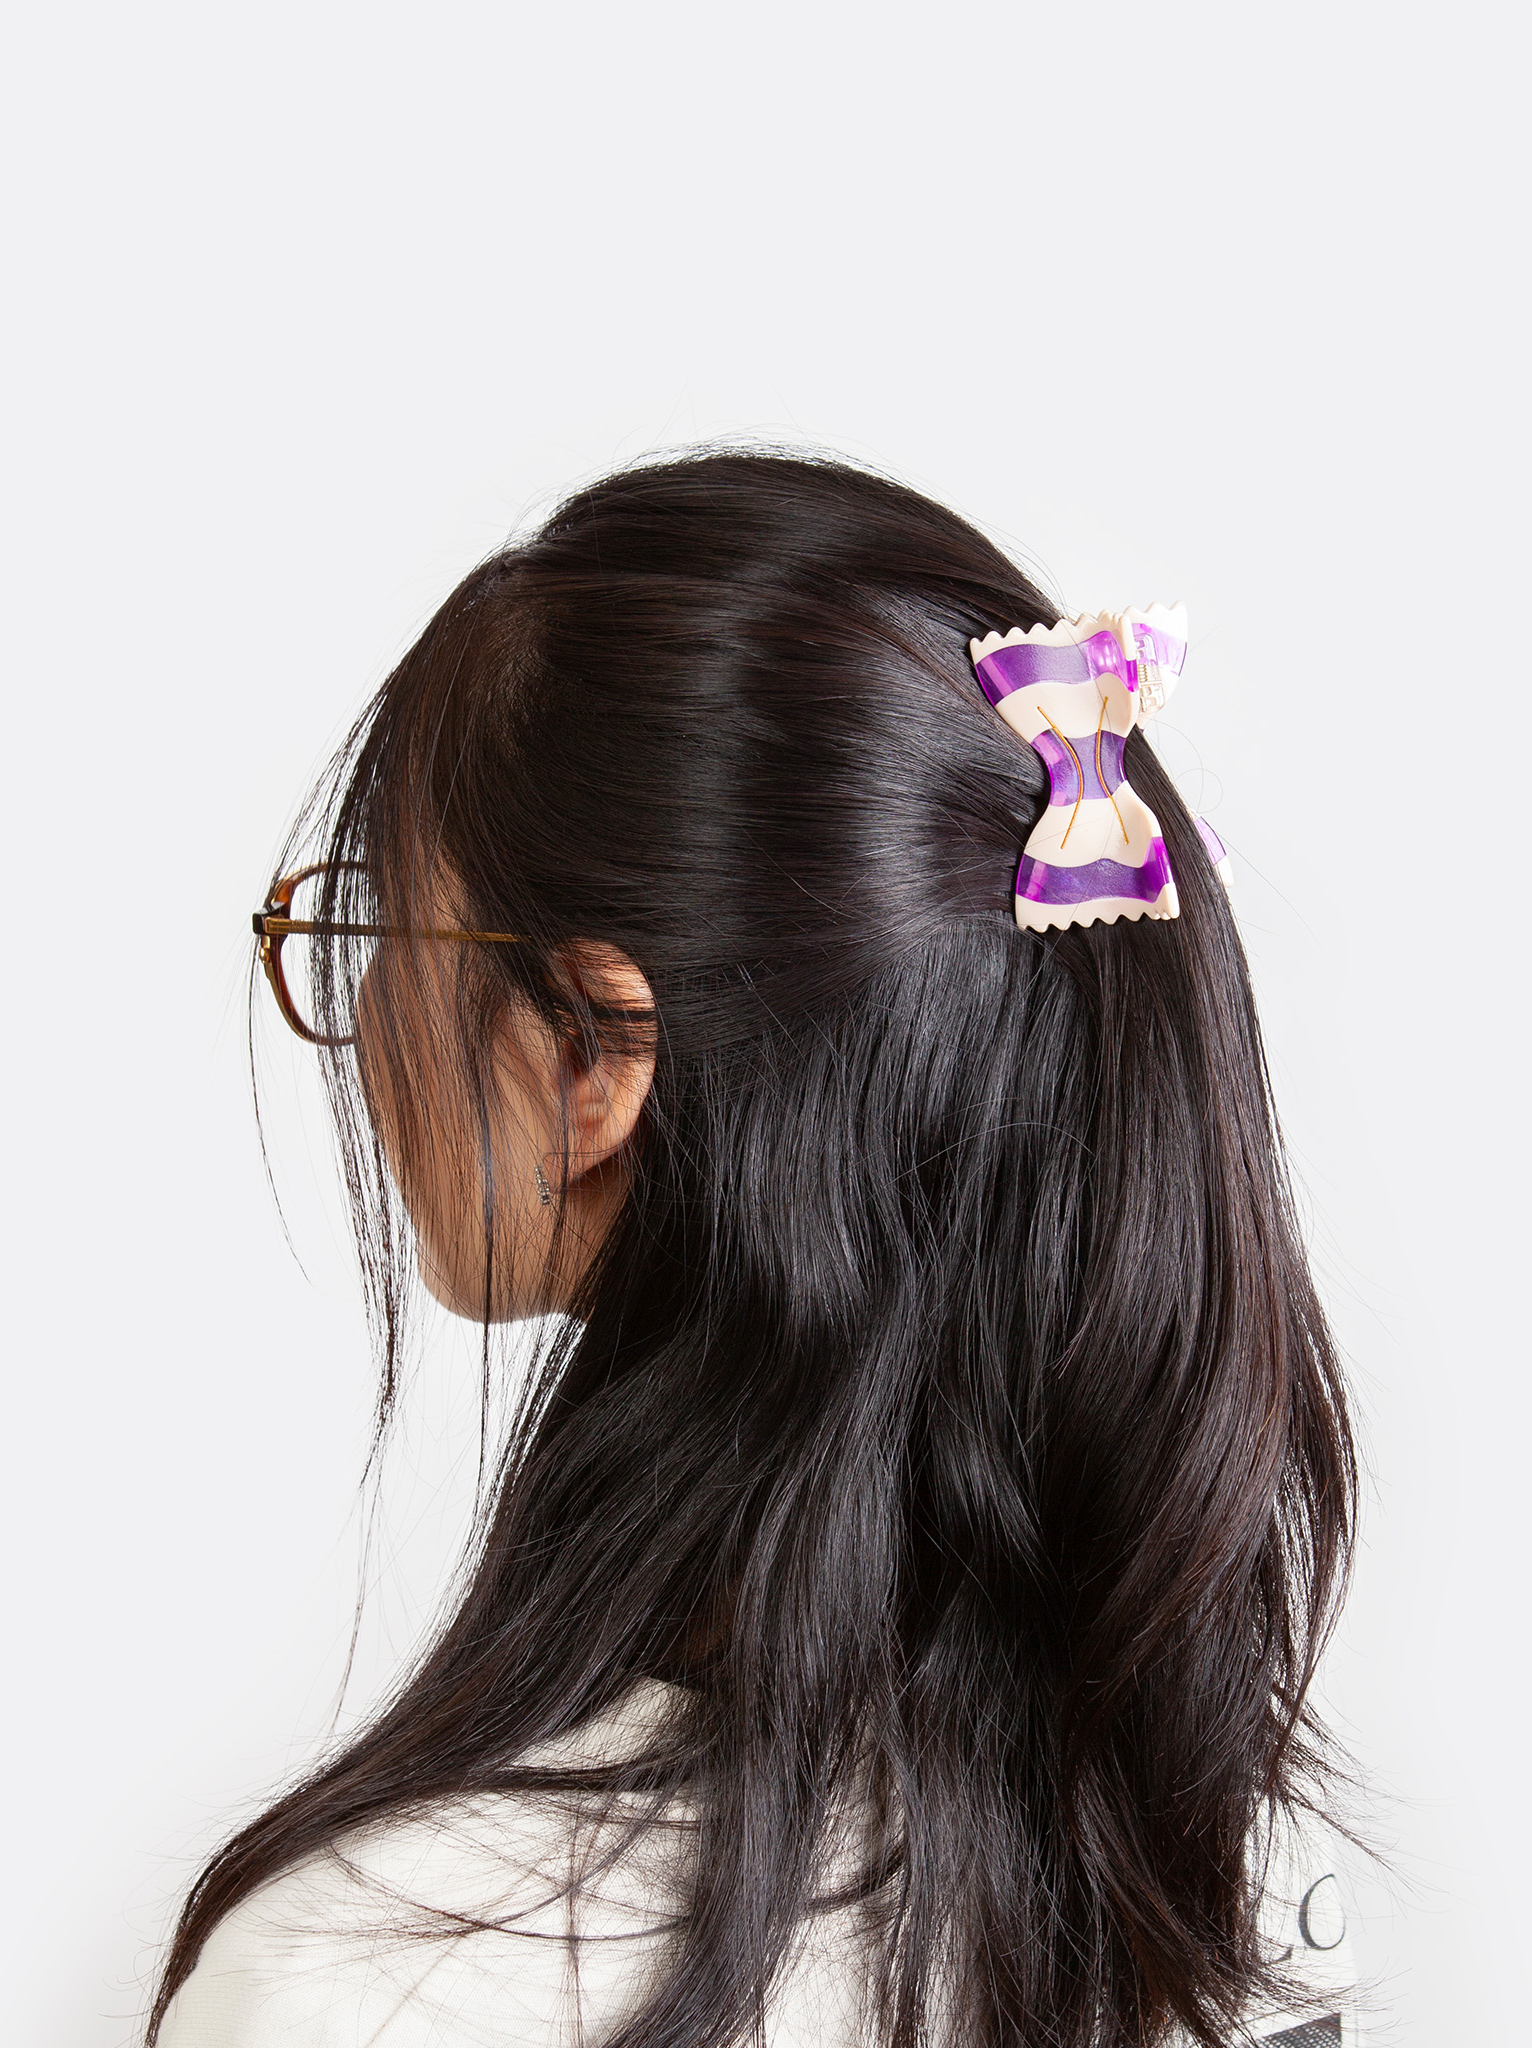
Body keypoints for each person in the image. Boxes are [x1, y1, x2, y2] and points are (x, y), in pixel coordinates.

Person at [151, 451, 1360, 2047]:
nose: (364, 1012)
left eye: (385, 925)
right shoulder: (1218, 1892)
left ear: (587, 1056)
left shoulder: (368, 1985)